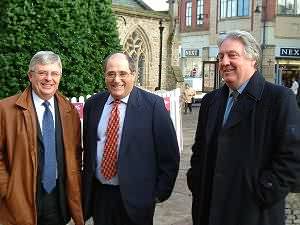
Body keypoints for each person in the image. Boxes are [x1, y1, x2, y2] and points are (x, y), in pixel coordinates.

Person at [186, 30, 300, 225]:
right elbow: (199, 151)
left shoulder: (279, 99)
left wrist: (263, 192)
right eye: (221, 56)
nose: (224, 62)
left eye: (232, 55)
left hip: (253, 213)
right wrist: (196, 182)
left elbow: (292, 157)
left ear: (252, 59)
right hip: (209, 209)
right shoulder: (210, 101)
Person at [82, 52, 180, 225]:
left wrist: (156, 195)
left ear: (133, 75)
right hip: (101, 198)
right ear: (105, 76)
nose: (116, 79)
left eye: (123, 73)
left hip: (138, 200)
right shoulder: (93, 105)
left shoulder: (153, 106)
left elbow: (169, 155)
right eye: (111, 74)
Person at [0, 51, 84, 225]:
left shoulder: (69, 112)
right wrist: (7, 190)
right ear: (30, 76)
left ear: (60, 77)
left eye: (54, 73)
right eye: (42, 73)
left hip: (58, 200)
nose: (49, 78)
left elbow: (75, 153)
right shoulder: (6, 110)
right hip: (20, 200)